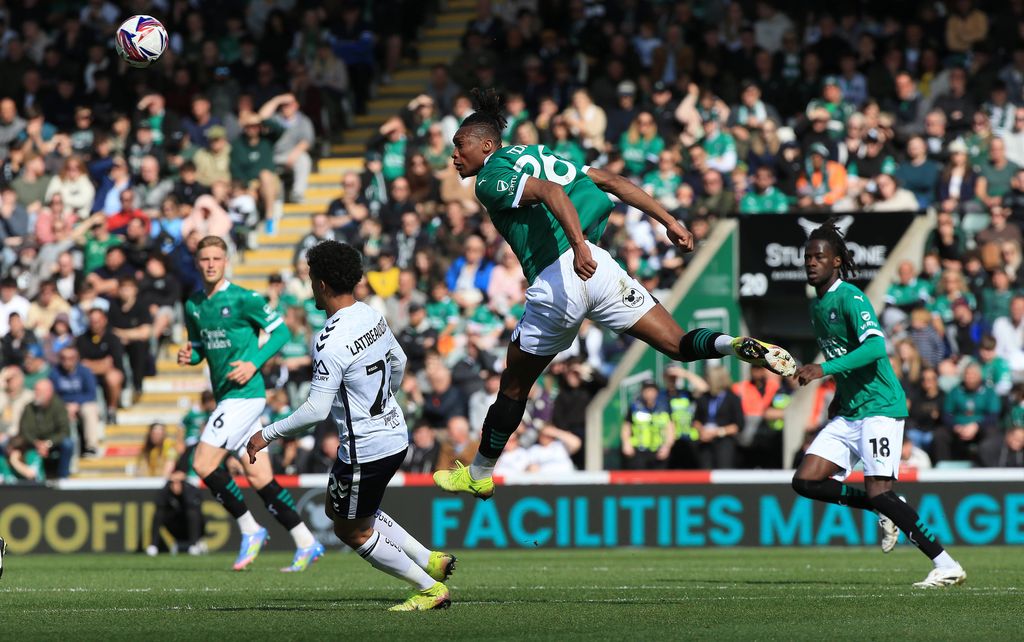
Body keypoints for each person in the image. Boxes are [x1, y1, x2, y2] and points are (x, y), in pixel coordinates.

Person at [434, 88, 795, 499]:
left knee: (514, 386)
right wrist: (670, 221)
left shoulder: (488, 178)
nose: (454, 156)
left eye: (460, 146)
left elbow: (551, 194)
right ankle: (733, 344)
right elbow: (612, 181)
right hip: (602, 270)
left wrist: (578, 247)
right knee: (678, 344)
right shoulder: (538, 154)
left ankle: (480, 473)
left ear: (486, 145)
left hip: (560, 277)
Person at [246, 240, 455, 611]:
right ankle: (429, 559)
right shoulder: (370, 314)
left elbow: (315, 410)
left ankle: (428, 588)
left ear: (322, 284)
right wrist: (386, 399)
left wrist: (267, 434)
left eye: (312, 279)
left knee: (351, 530)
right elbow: (399, 360)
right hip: (395, 433)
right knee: (342, 509)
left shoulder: (329, 341)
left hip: (366, 448)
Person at [792, 219, 966, 588]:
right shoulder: (817, 306)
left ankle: (946, 564)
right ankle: (882, 506)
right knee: (805, 481)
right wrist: (839, 396)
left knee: (881, 491)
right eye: (807, 257)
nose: (811, 262)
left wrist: (822, 370)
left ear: (837, 261)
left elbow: (875, 347)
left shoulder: (851, 297)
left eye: (818, 257)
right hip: (851, 410)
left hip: (881, 407)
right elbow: (845, 357)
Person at [177, 235, 322, 572]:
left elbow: (281, 332)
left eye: (217, 258)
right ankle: (306, 541)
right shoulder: (193, 304)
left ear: (226, 262)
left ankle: (250, 528)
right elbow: (199, 347)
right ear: (197, 263)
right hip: (227, 395)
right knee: (259, 478)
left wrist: (253, 363)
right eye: (205, 259)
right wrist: (190, 355)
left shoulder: (244, 298)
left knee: (202, 464)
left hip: (245, 396)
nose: (211, 264)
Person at [145, 469, 207, 556]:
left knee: (192, 513)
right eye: (173, 482)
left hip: (192, 528)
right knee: (159, 514)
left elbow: (194, 506)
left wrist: (183, 490)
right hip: (176, 528)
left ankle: (194, 544)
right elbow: (159, 504)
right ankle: (153, 546)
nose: (176, 485)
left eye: (179, 482)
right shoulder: (166, 490)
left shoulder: (190, 490)